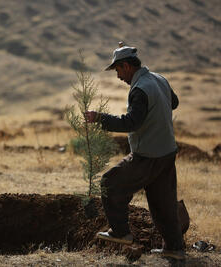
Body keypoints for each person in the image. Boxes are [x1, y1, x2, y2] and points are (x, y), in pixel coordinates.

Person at [85, 42, 185, 260]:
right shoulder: (159, 79)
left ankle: (121, 233)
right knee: (163, 202)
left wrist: (99, 118)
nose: (119, 76)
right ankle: (174, 248)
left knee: (109, 183)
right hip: (167, 152)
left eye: (118, 70)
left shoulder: (140, 90)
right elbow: (174, 102)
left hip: (147, 155)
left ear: (128, 66)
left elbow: (131, 123)